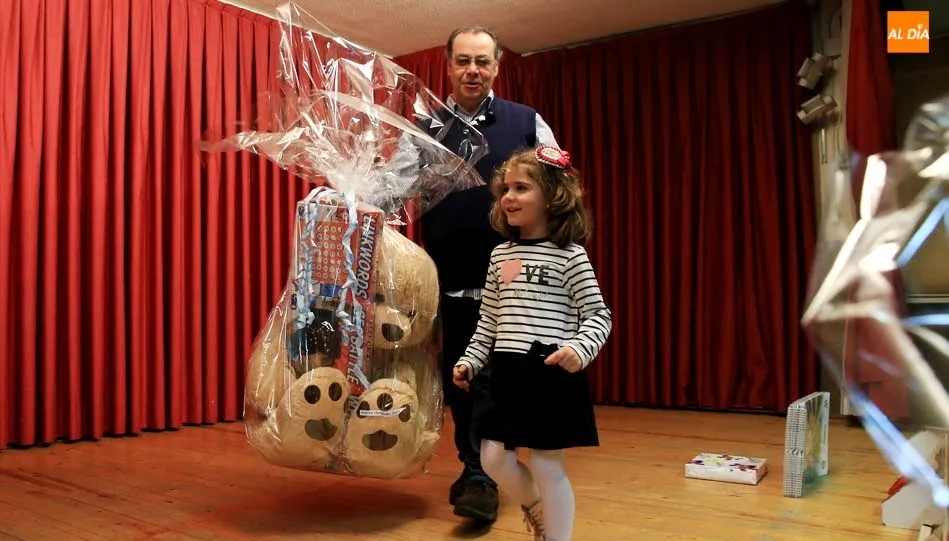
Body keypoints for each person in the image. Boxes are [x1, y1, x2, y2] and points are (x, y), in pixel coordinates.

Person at [419, 25, 559, 523]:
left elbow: (558, 190)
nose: (472, 70)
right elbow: (390, 190)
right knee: (463, 377)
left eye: (482, 61)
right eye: (463, 61)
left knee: (506, 381)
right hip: (449, 281)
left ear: (498, 65)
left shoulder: (527, 122)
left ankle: (497, 467)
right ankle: (477, 472)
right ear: (449, 65)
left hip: (518, 284)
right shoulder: (424, 127)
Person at [452, 145, 612, 541]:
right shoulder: (499, 255)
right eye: (505, 189)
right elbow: (488, 320)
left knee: (545, 464)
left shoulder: (570, 256)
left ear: (553, 195)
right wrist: (471, 360)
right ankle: (538, 508)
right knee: (491, 457)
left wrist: (579, 348)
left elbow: (598, 315)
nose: (508, 197)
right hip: (505, 373)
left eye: (521, 188)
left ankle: (555, 536)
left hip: (549, 372)